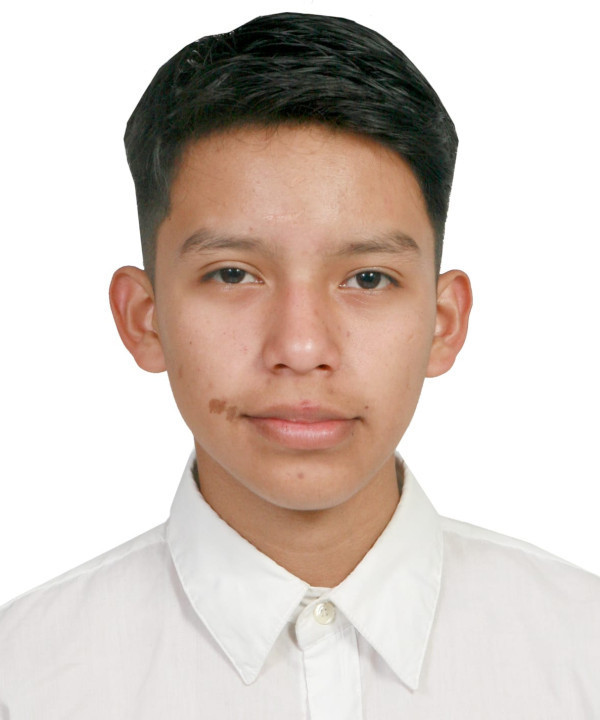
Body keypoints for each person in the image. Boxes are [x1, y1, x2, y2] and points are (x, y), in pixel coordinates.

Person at [0, 11, 598, 718]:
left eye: (368, 278)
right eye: (232, 274)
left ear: (444, 323)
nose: (302, 348)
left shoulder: (580, 650)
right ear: (144, 317)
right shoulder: (25, 677)